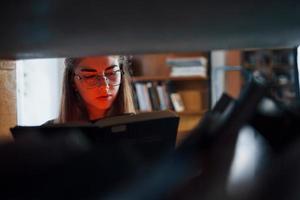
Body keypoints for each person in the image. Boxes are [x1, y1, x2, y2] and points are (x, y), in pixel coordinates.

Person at [45, 55, 136, 124]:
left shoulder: (138, 128)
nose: (104, 86)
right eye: (90, 76)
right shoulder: (49, 134)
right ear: (73, 82)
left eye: (111, 73)